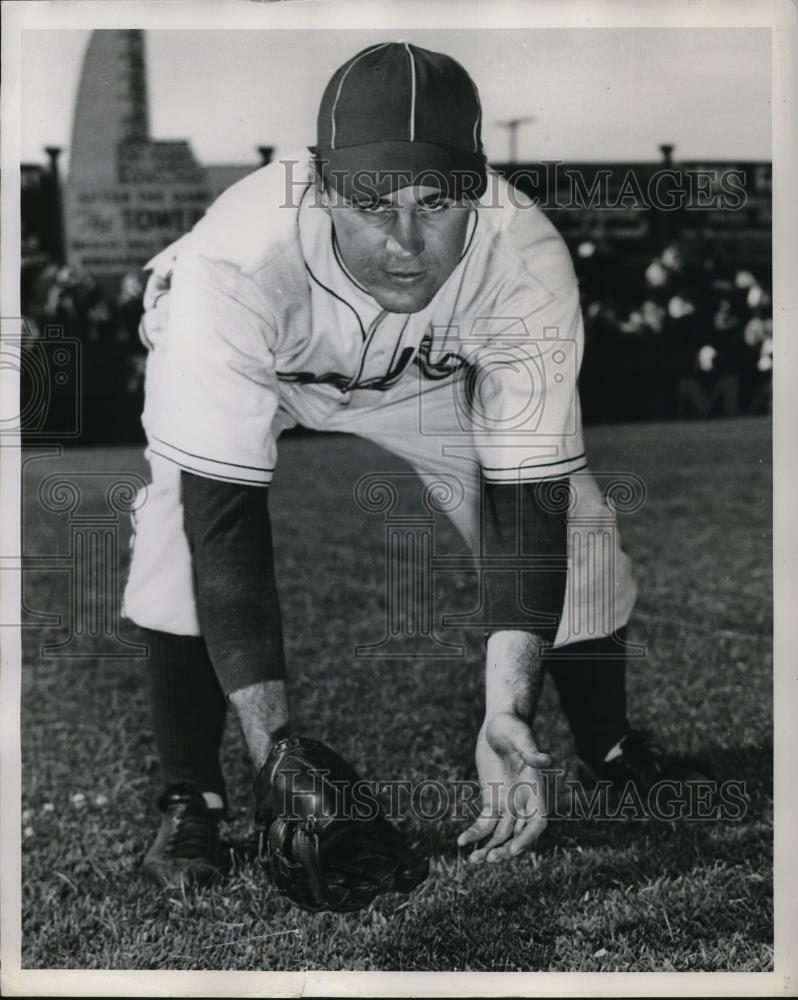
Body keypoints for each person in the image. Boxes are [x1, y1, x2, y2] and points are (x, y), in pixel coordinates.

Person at [123, 42, 683, 889]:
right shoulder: (233, 265)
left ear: (479, 185)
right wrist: (279, 759)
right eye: (372, 201)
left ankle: (609, 744)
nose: (407, 241)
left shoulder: (522, 259)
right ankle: (191, 801)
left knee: (581, 516)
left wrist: (506, 707)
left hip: (421, 378)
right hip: (264, 359)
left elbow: (528, 501)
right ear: (318, 185)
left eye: (438, 199)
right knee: (174, 522)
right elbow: (225, 527)